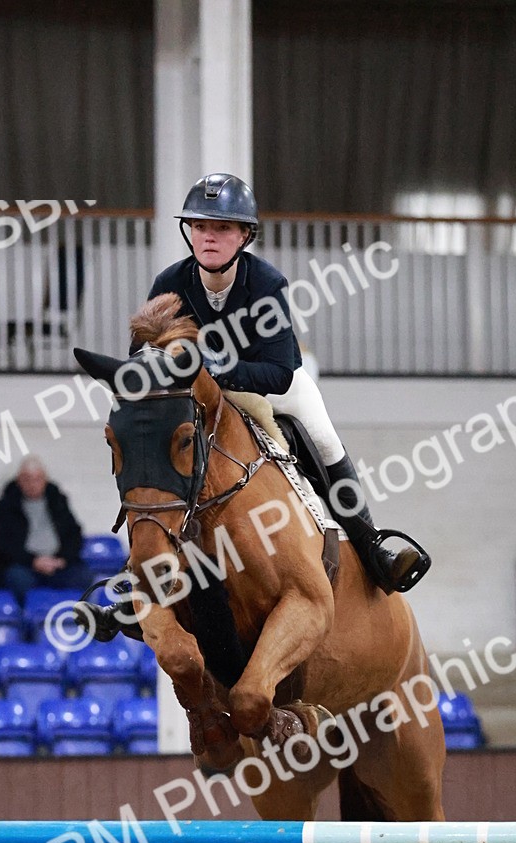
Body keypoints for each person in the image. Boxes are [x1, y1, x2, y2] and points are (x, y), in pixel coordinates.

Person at [84, 173, 430, 641]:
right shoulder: (170, 282)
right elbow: (143, 356)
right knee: (153, 448)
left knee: (322, 435)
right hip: (194, 392)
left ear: (245, 235)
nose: (209, 237)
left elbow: (279, 372)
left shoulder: (266, 282)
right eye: (200, 227)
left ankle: (374, 550)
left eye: (223, 228)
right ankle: (132, 588)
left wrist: (217, 372)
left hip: (267, 385)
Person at [0, 455, 85, 603]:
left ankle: (72, 619)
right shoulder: (5, 506)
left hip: (57, 563)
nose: (32, 484)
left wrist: (62, 559)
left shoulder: (58, 502)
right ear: (19, 480)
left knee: (82, 576)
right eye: (27, 479)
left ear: (45, 479)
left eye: (37, 479)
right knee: (17, 579)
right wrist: (33, 561)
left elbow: (74, 535)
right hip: (23, 566)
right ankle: (29, 621)